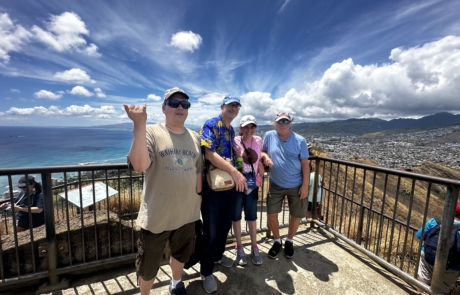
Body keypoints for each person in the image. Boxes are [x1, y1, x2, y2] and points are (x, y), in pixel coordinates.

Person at [124, 87, 203, 295]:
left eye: (185, 104)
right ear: (164, 108)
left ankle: (176, 283)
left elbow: (197, 170)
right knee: (149, 264)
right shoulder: (151, 132)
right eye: (174, 103)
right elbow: (140, 165)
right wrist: (139, 125)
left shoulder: (194, 137)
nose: (180, 107)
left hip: (187, 213)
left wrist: (198, 198)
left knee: (181, 253)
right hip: (157, 214)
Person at [199, 95, 247, 293]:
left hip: (227, 185)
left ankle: (218, 256)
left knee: (226, 223)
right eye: (230, 105)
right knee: (210, 229)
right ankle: (206, 271)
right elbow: (209, 154)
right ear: (222, 106)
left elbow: (227, 155)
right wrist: (236, 172)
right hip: (212, 185)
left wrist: (237, 155)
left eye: (236, 106)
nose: (234, 108)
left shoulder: (230, 129)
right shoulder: (211, 124)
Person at [262, 111, 310, 259]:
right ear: (275, 123)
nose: (283, 124)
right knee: (271, 213)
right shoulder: (269, 136)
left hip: (296, 184)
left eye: (285, 121)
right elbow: (262, 152)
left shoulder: (299, 140)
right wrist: (266, 157)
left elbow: (305, 163)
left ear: (290, 123)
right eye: (280, 121)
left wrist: (305, 185)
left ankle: (289, 240)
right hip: (276, 184)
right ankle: (277, 240)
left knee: (296, 214)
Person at [232, 115, 265, 266]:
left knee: (252, 217)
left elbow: (260, 156)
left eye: (252, 127)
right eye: (246, 127)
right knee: (236, 217)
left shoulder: (258, 140)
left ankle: (254, 246)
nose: (249, 130)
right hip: (238, 183)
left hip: (252, 184)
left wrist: (262, 169)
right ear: (241, 128)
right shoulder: (235, 141)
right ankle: (239, 247)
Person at [415, 205, 460, 295]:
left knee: (423, 282)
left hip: (428, 256)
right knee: (443, 290)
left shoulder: (436, 222)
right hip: (452, 266)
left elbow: (419, 235)